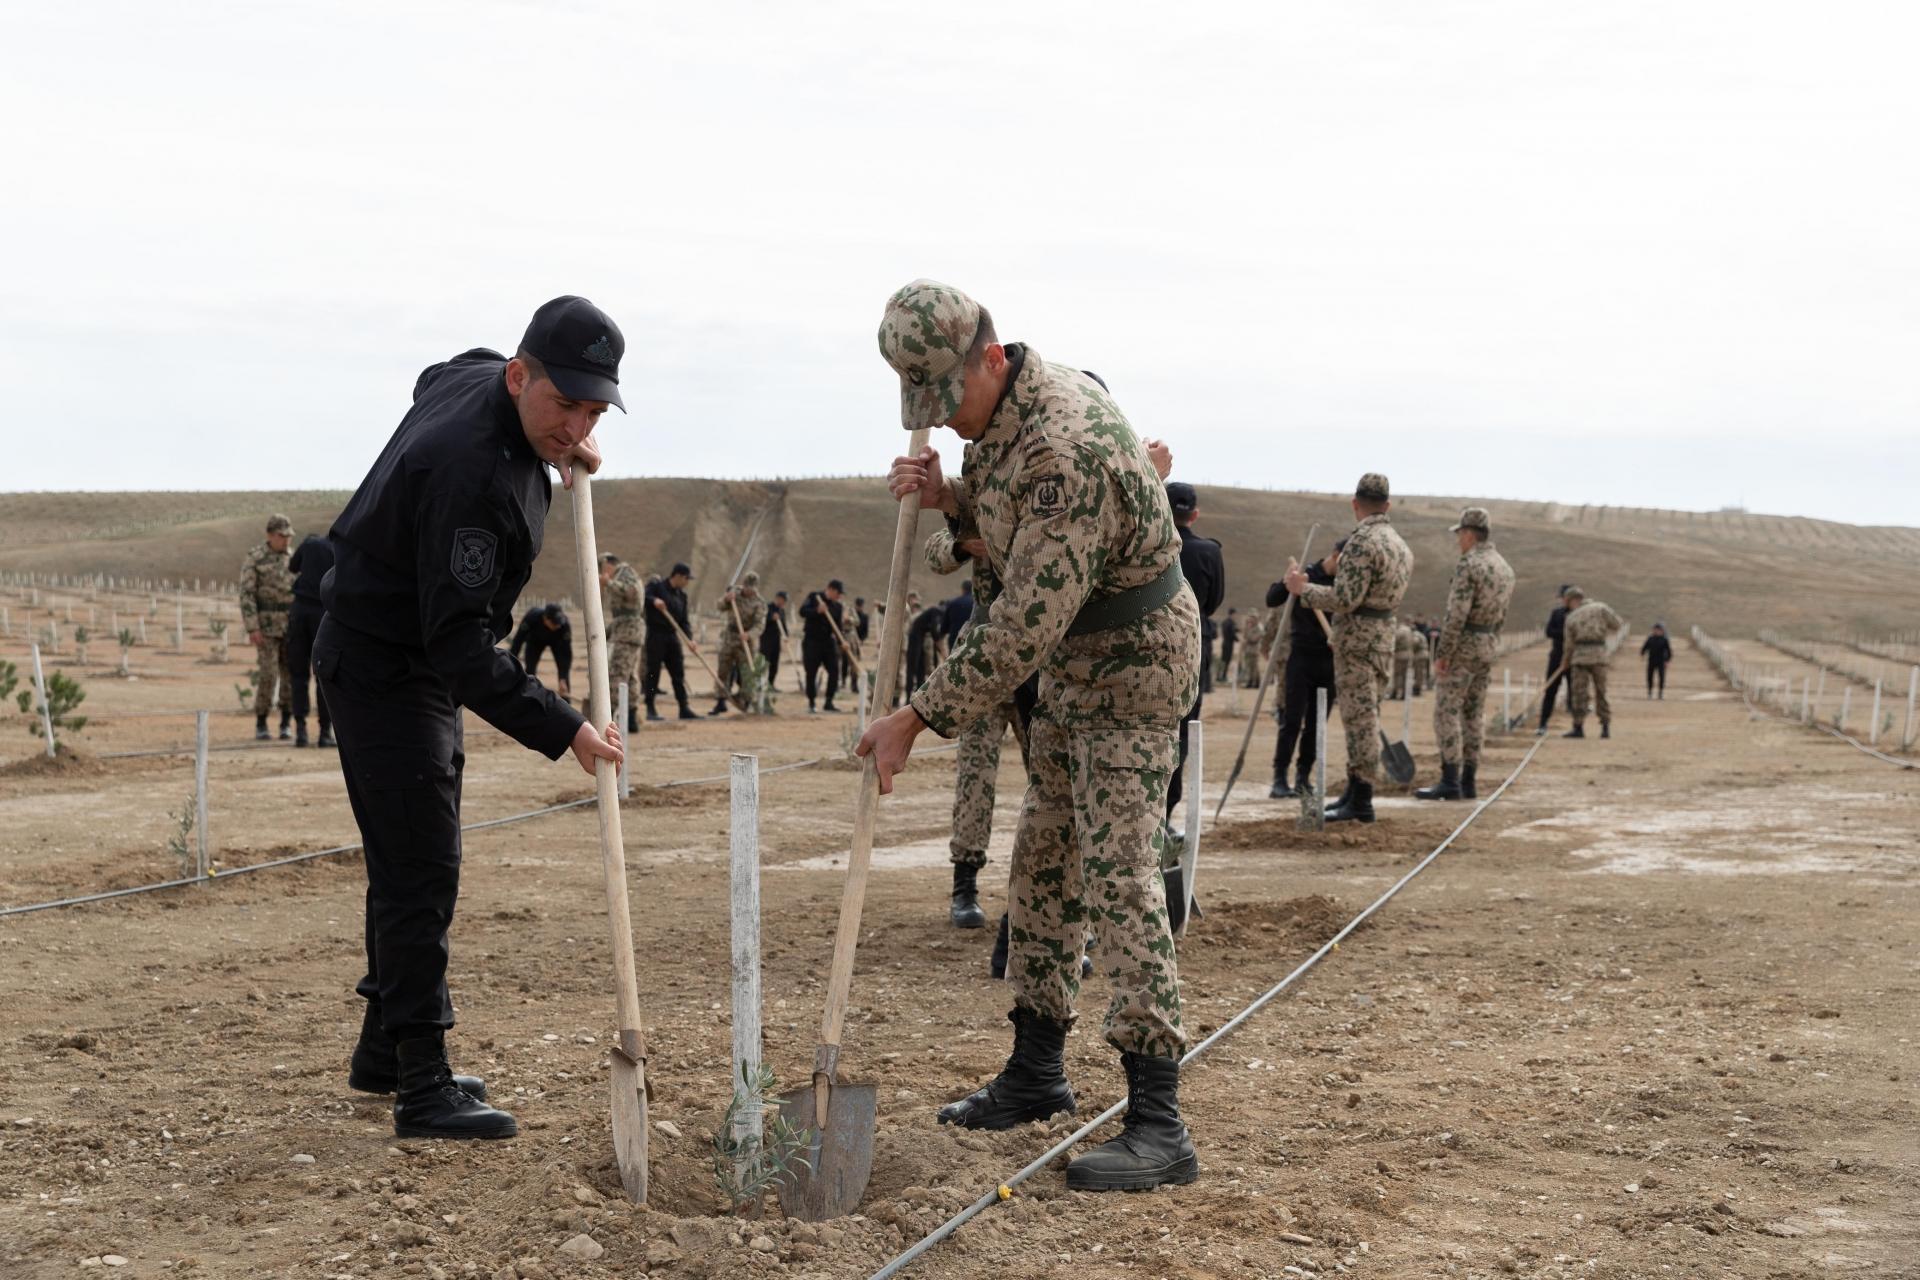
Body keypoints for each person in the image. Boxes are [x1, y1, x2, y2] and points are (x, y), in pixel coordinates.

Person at [861, 279, 1200, 1192]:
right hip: (1073, 671)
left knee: (1119, 870)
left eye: (949, 399)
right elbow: (1006, 513)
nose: (945, 418)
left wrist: (918, 716)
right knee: (1046, 854)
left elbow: (1021, 624)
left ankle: (1159, 1122)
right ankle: (1038, 1070)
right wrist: (953, 498)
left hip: (1128, 666)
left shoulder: (1061, 445)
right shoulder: (1010, 421)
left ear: (993, 358)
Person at [315, 295, 626, 1140]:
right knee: (421, 867)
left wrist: (563, 443)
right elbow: (460, 650)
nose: (577, 426)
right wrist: (566, 728)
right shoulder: (473, 478)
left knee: (407, 855)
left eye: (594, 409)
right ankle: (423, 1085)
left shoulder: (481, 374)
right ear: (521, 377)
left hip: (395, 649)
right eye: (565, 404)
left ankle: (385, 1048)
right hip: (389, 662)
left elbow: (435, 375)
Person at [1283, 473, 1414, 824]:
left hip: (1357, 641)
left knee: (1359, 721)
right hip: (1382, 637)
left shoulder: (1361, 542)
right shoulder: (1399, 544)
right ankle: (1356, 792)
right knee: (1368, 716)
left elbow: (1345, 598)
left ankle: (1361, 799)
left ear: (1356, 504)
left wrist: (1303, 590)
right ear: (1387, 504)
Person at [1414, 508, 1516, 801]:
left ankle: (1449, 780)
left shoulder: (1469, 564)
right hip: (1487, 645)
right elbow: (1502, 616)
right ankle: (1469, 780)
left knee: (1446, 711)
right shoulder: (1504, 567)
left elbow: (1456, 614)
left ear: (1469, 533)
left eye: (1459, 534)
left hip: (1464, 646)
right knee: (1474, 714)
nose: (1458, 540)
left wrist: (1443, 652)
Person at [1160, 481, 1224, 840]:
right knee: (1181, 735)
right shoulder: (1208, 553)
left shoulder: (1146, 544)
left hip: (1149, 647)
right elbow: (1213, 602)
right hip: (1193, 648)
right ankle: (1166, 814)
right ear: (1195, 515)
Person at [1267, 541, 1339, 798]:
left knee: (1318, 723)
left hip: (1330, 659)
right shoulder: (1306, 573)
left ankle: (1303, 777)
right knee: (1292, 720)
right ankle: (1279, 777)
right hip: (1301, 657)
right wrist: (1290, 584)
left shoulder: (1345, 581)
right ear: (1334, 555)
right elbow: (1271, 598)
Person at [239, 514, 296, 740]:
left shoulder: (293, 558)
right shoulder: (255, 558)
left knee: (290, 675)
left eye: (289, 536)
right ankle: (261, 721)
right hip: (266, 629)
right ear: (270, 535)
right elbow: (247, 595)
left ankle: (286, 722)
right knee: (268, 675)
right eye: (282, 536)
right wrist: (253, 627)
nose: (286, 541)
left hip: (290, 628)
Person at [285, 531, 336, 749]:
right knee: (323, 676)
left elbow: (292, 567)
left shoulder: (307, 543)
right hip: (323, 615)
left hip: (298, 613)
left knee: (298, 675)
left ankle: (301, 731)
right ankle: (325, 732)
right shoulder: (336, 549)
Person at [1562, 587, 1625, 738]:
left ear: (1571, 601)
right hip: (1599, 656)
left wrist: (1565, 661)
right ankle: (1605, 727)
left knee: (1579, 693)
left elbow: (1569, 644)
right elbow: (1617, 624)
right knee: (1601, 691)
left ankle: (1578, 727)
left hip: (1580, 657)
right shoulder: (1601, 608)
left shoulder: (1571, 617)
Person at [644, 563, 698, 721]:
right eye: (687, 579)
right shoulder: (657, 587)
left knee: (678, 673)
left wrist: (690, 639)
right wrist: (654, 601)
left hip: (672, 637)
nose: (687, 583)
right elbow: (643, 596)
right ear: (679, 576)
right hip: (656, 635)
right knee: (653, 672)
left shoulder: (682, 596)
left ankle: (684, 707)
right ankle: (650, 708)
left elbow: (684, 621)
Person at [710, 571, 766, 714]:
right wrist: (727, 600)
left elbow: (760, 625)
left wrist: (749, 634)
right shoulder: (735, 594)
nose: (749, 590)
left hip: (746, 640)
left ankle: (746, 700)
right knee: (724, 668)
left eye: (752, 588)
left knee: (747, 671)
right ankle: (721, 700)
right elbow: (719, 606)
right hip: (730, 636)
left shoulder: (759, 603)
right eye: (747, 587)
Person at [599, 554, 643, 730]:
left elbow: (632, 592)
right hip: (624, 628)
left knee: (618, 674)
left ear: (608, 565)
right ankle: (630, 719)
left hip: (628, 632)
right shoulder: (620, 575)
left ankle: (613, 718)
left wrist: (608, 583)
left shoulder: (625, 573)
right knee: (629, 676)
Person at [507, 603, 573, 703]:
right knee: (530, 669)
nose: (558, 626)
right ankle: (529, 698)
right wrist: (510, 663)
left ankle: (566, 702)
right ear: (545, 618)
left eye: (559, 623)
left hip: (557, 643)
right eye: (555, 623)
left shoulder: (564, 625)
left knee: (564, 675)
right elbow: (518, 641)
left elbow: (566, 653)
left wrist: (563, 677)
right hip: (535, 642)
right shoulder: (532, 617)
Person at [798, 580, 846, 713]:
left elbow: (838, 628)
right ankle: (812, 702)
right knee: (811, 672)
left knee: (834, 670)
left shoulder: (837, 607)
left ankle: (829, 701)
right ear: (830, 589)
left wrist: (842, 642)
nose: (839, 596)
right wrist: (817, 610)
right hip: (812, 641)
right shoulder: (814, 597)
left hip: (828, 643)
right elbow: (802, 611)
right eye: (838, 593)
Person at [1537, 585, 1572, 735]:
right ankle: (1543, 723)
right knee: (1550, 690)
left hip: (1574, 657)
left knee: (1575, 691)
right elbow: (1549, 631)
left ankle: (1577, 726)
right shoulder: (1557, 613)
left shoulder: (1580, 614)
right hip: (1557, 656)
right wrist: (1566, 634)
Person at [906, 599, 947, 694]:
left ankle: (918, 693)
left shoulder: (937, 612)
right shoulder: (936, 611)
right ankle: (908, 695)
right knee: (912, 667)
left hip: (921, 638)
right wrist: (942, 651)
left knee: (921, 667)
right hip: (915, 637)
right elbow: (934, 631)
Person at [760, 590, 788, 691]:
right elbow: (761, 620)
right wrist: (770, 618)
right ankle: (760, 684)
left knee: (774, 664)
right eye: (783, 600)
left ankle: (770, 684)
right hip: (766, 639)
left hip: (776, 640)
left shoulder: (782, 611)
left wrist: (786, 635)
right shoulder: (767, 607)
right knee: (764, 663)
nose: (783, 603)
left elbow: (783, 624)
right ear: (778, 598)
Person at [1642, 623, 1672, 698]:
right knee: (1650, 677)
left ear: (1662, 631)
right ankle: (1649, 692)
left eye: (1658, 630)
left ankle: (1660, 693)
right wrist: (1642, 653)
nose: (1656, 631)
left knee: (1661, 677)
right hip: (1651, 661)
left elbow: (1668, 651)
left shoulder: (1664, 640)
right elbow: (1645, 647)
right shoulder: (1650, 639)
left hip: (1661, 661)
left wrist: (1667, 660)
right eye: (1655, 630)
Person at [1218, 608, 1238, 685]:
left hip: (1224, 643)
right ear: (1232, 614)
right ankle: (1223, 676)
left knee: (1223, 660)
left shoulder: (1224, 622)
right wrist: (1238, 640)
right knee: (1227, 661)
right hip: (1229, 644)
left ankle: (1220, 676)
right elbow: (1232, 633)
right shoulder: (1231, 623)